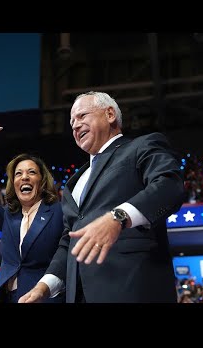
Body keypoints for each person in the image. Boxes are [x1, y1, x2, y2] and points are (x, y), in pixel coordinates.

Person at [19, 91, 185, 303]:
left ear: (109, 114)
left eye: (82, 116)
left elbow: (170, 186)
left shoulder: (140, 147)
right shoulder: (74, 182)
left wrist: (118, 217)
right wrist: (44, 286)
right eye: (71, 123)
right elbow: (69, 241)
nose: (75, 126)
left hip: (132, 289)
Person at [0, 113, 65, 303]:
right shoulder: (8, 217)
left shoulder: (59, 212)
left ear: (42, 181)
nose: (24, 177)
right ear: (13, 183)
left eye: (31, 172)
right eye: (18, 174)